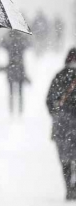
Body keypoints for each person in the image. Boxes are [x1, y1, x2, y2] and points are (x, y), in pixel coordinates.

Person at [46, 48, 76, 201]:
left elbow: (49, 100)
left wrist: (56, 114)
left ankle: (68, 188)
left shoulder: (59, 75)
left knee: (64, 158)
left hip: (62, 124)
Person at [2, 30, 30, 114]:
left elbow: (2, 44)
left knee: (11, 92)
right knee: (20, 92)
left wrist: (6, 35)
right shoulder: (22, 41)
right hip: (20, 69)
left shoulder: (9, 41)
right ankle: (20, 110)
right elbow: (28, 45)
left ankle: (11, 110)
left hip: (11, 69)